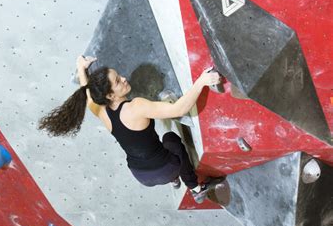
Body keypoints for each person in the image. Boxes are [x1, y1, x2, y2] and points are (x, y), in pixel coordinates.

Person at [38, 55, 222, 203]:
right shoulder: (136, 107)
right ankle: (196, 188)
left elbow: (88, 94)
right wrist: (202, 81)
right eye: (118, 81)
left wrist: (81, 68)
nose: (124, 79)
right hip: (164, 169)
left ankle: (174, 181)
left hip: (141, 176)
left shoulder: (100, 111)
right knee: (171, 139)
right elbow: (179, 109)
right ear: (110, 94)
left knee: (159, 152)